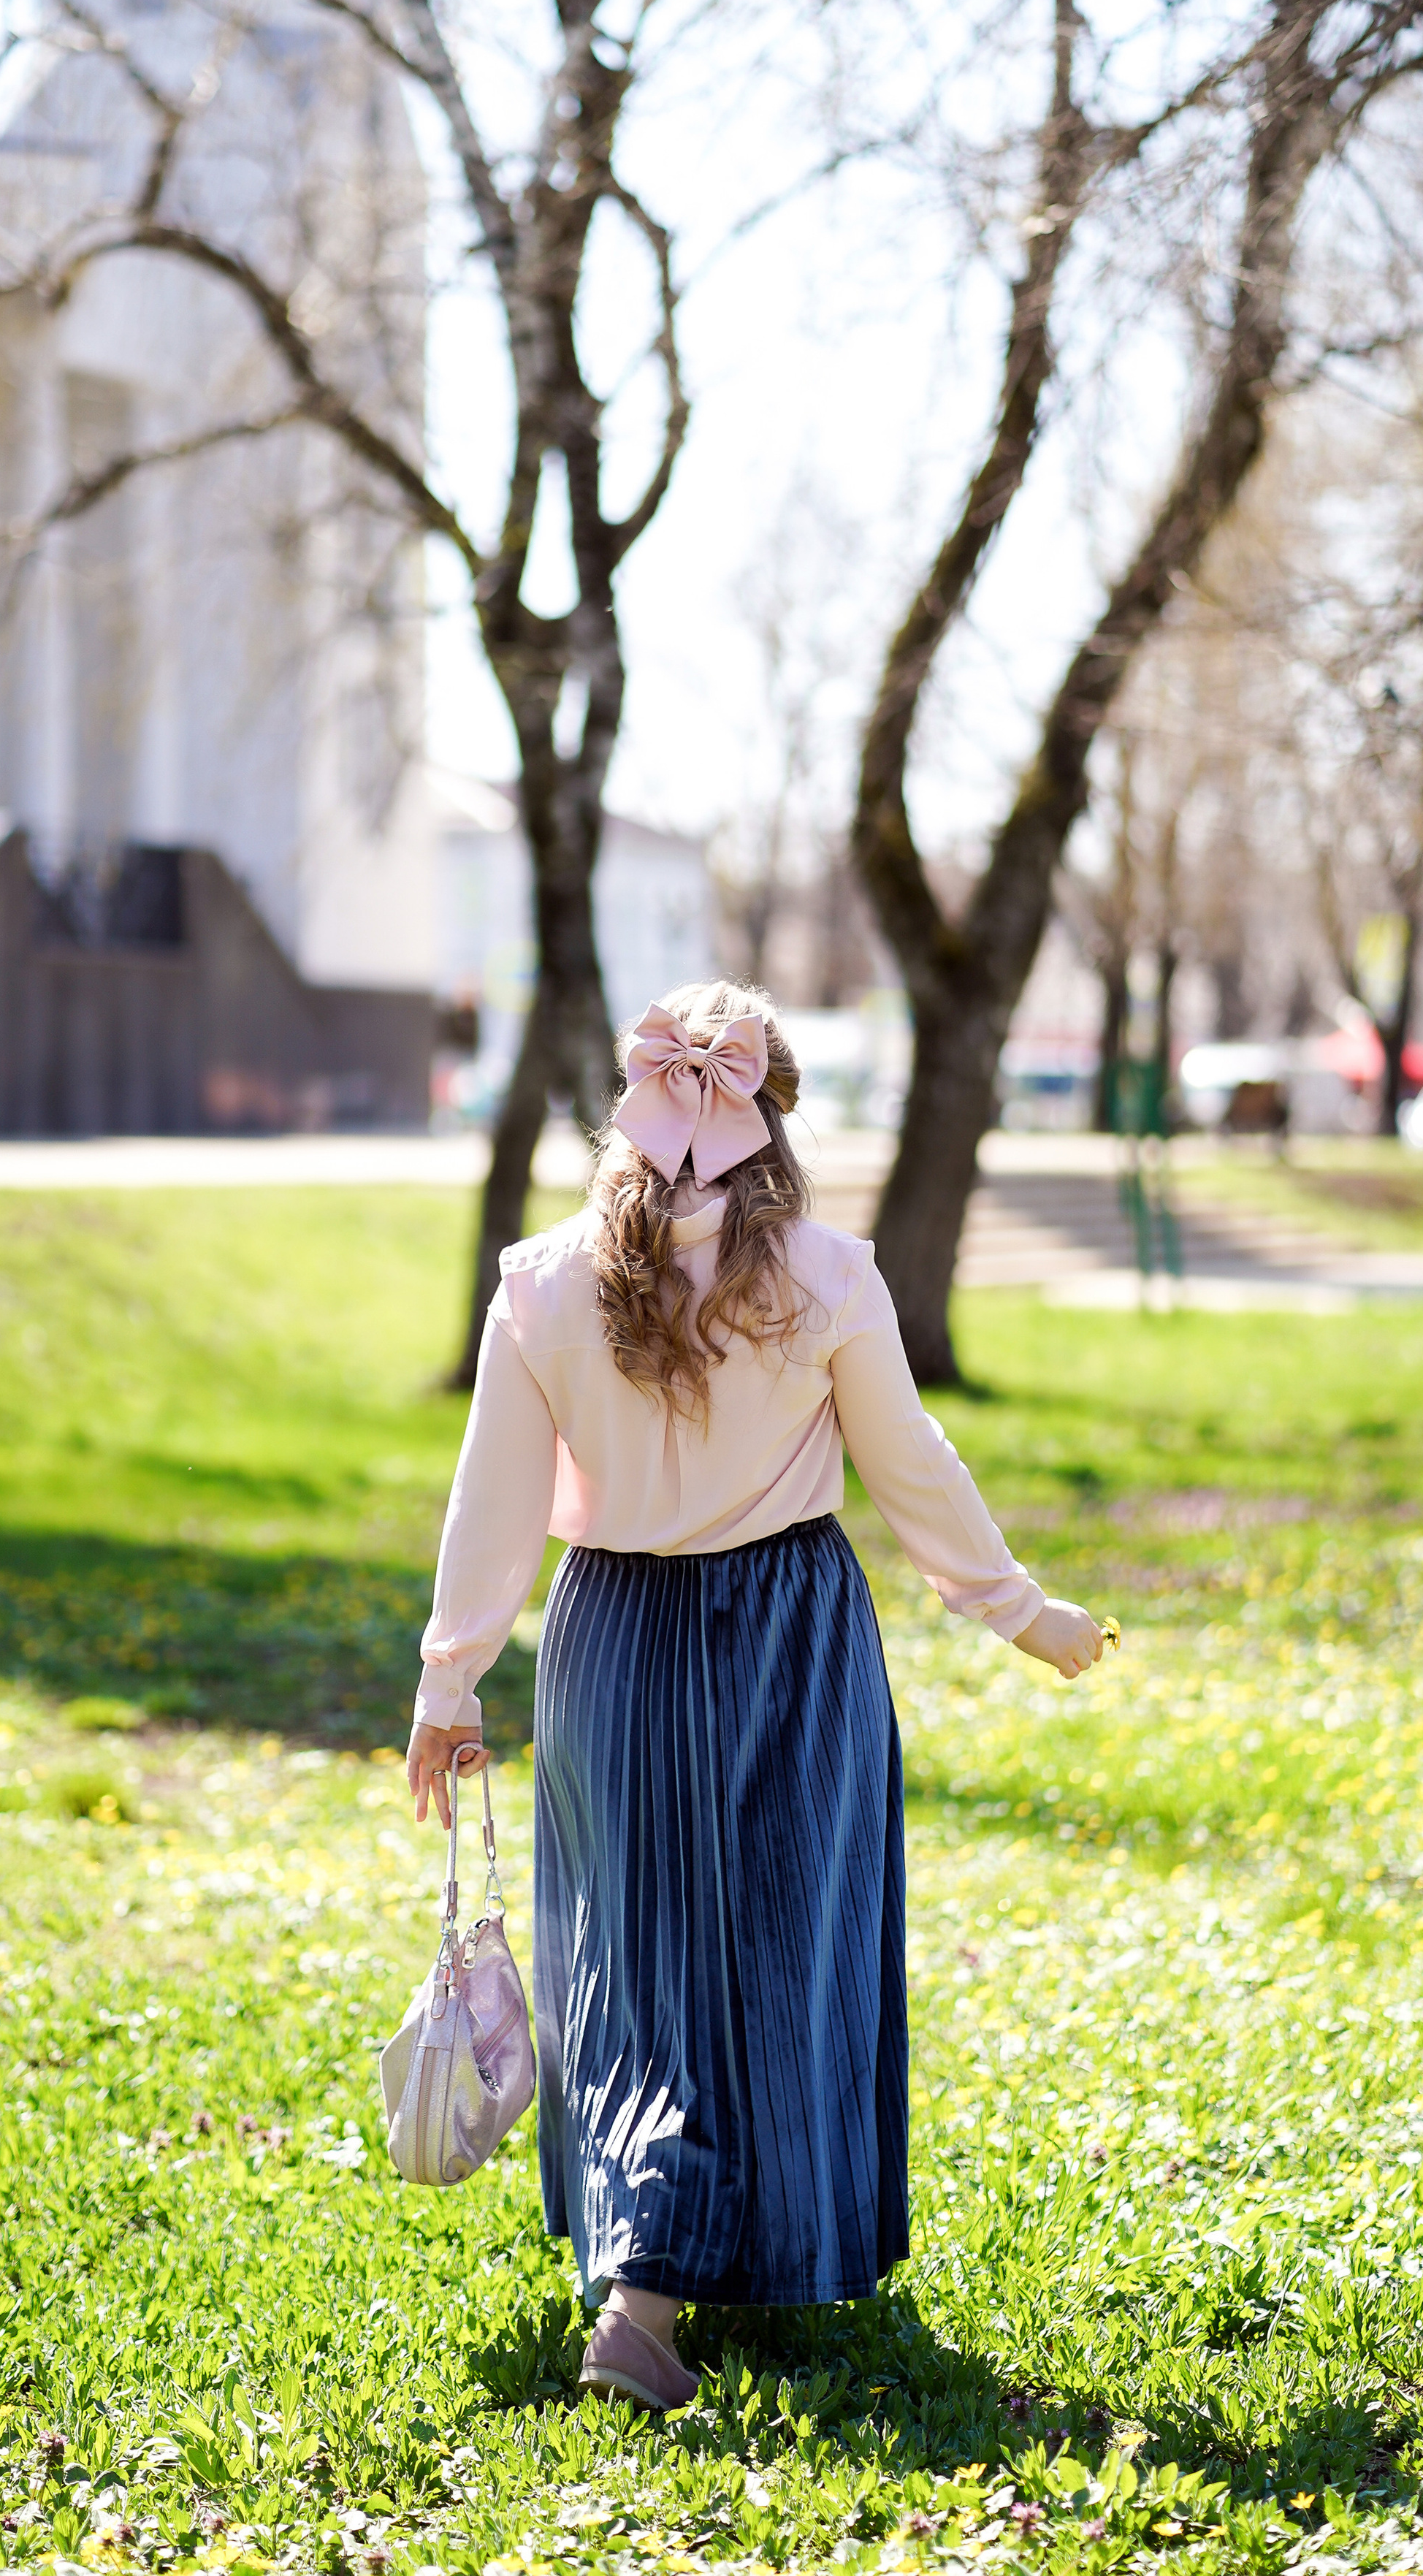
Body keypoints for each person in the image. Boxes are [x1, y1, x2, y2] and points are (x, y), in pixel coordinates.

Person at [405, 981, 1108, 2413]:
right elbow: (911, 1470)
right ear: (773, 1113)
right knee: (785, 1943)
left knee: (635, 1953)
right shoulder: (827, 1277)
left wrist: (449, 1677)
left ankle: (658, 2267)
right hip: (784, 1629)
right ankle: (669, 2290)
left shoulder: (541, 1280)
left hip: (610, 1638)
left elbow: (491, 1503)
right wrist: (1018, 1613)